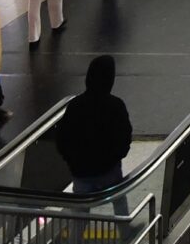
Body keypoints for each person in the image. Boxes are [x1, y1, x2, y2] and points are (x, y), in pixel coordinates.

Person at [57, 54, 135, 196]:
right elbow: (124, 135)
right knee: (117, 198)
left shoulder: (75, 105)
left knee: (81, 204)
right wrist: (117, 157)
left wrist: (71, 161)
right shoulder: (116, 105)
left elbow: (63, 137)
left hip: (80, 171)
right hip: (109, 169)